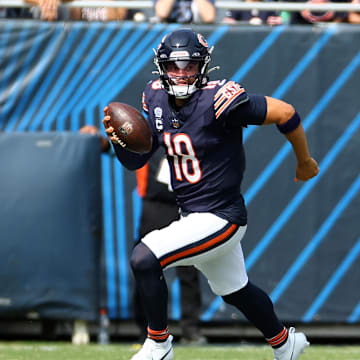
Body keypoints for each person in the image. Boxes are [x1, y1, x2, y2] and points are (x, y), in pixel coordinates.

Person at [102, 28, 319, 360]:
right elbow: (139, 159)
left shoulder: (220, 100)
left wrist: (304, 160)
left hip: (221, 217)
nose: (182, 73)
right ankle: (285, 344)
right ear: (161, 67)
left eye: (189, 65)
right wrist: (122, 143)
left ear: (202, 66)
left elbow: (286, 112)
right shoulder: (155, 97)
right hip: (192, 214)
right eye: (174, 66)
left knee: (144, 258)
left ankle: (159, 345)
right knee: (236, 291)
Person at [134, 148, 206, 345]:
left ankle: (191, 329)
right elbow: (131, 140)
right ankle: (147, 329)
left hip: (187, 202)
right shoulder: (151, 122)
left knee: (189, 268)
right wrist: (106, 143)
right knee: (145, 265)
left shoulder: (192, 121)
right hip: (156, 203)